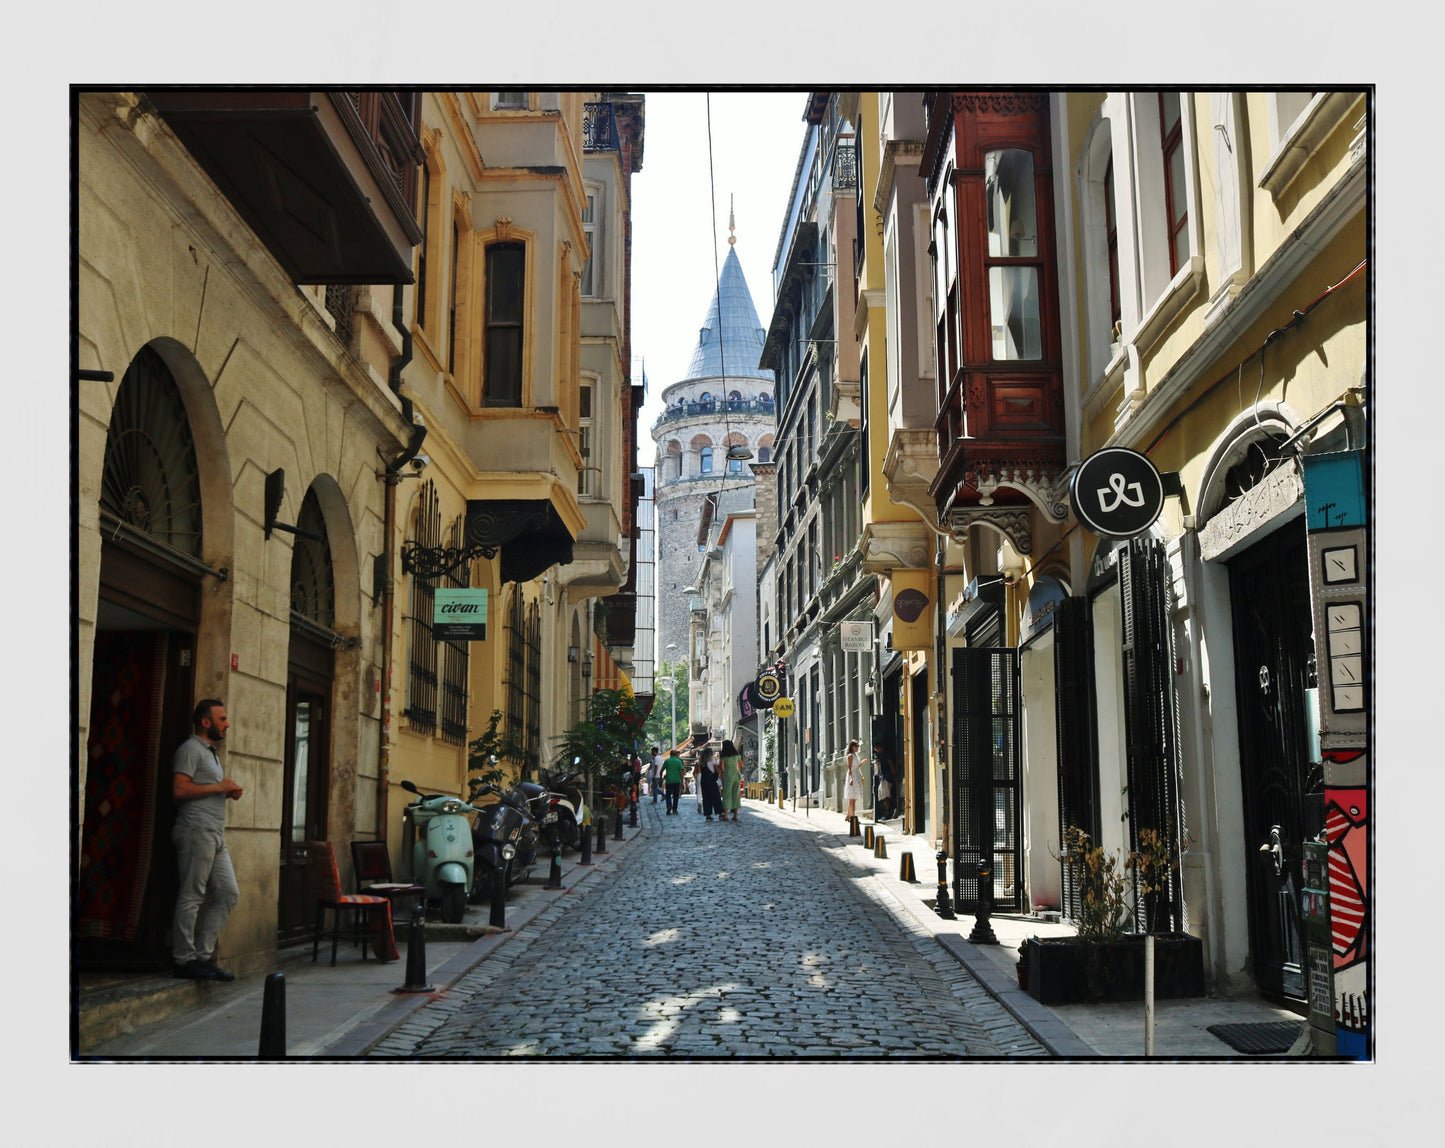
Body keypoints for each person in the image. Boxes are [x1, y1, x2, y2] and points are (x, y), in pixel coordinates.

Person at [170, 698, 243, 981]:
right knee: (192, 895)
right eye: (222, 719)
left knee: (228, 893)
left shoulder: (210, 753)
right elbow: (179, 790)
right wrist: (218, 787)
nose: (227, 724)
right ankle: (184, 959)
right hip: (196, 830)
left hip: (214, 832)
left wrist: (225, 792)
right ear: (205, 721)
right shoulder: (190, 749)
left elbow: (205, 788)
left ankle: (203, 956)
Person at [719, 738, 743, 823]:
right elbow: (741, 765)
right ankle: (735, 816)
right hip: (736, 775)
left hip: (727, 776)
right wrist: (737, 770)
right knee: (736, 795)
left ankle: (725, 816)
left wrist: (722, 775)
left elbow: (722, 768)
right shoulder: (737, 756)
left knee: (727, 794)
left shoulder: (723, 757)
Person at [698, 747, 722, 821]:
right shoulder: (712, 761)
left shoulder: (701, 762)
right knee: (716, 797)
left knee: (706, 798)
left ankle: (708, 815)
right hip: (711, 780)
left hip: (703, 781)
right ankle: (720, 813)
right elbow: (717, 770)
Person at [843, 738, 863, 823]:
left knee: (854, 797)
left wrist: (862, 763)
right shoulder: (850, 755)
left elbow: (857, 766)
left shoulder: (855, 755)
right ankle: (853, 818)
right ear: (852, 746)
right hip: (853, 776)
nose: (857, 747)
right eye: (856, 746)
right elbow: (849, 768)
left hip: (857, 776)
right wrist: (851, 778)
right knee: (853, 798)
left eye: (858, 746)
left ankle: (848, 816)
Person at [661, 747, 685, 814]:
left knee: (668, 794)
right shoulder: (679, 761)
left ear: (670, 754)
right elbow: (681, 772)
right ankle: (674, 809)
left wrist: (661, 778)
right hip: (677, 780)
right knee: (676, 795)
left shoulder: (667, 761)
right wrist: (682, 781)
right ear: (676, 754)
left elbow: (662, 770)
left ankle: (669, 805)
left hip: (669, 780)